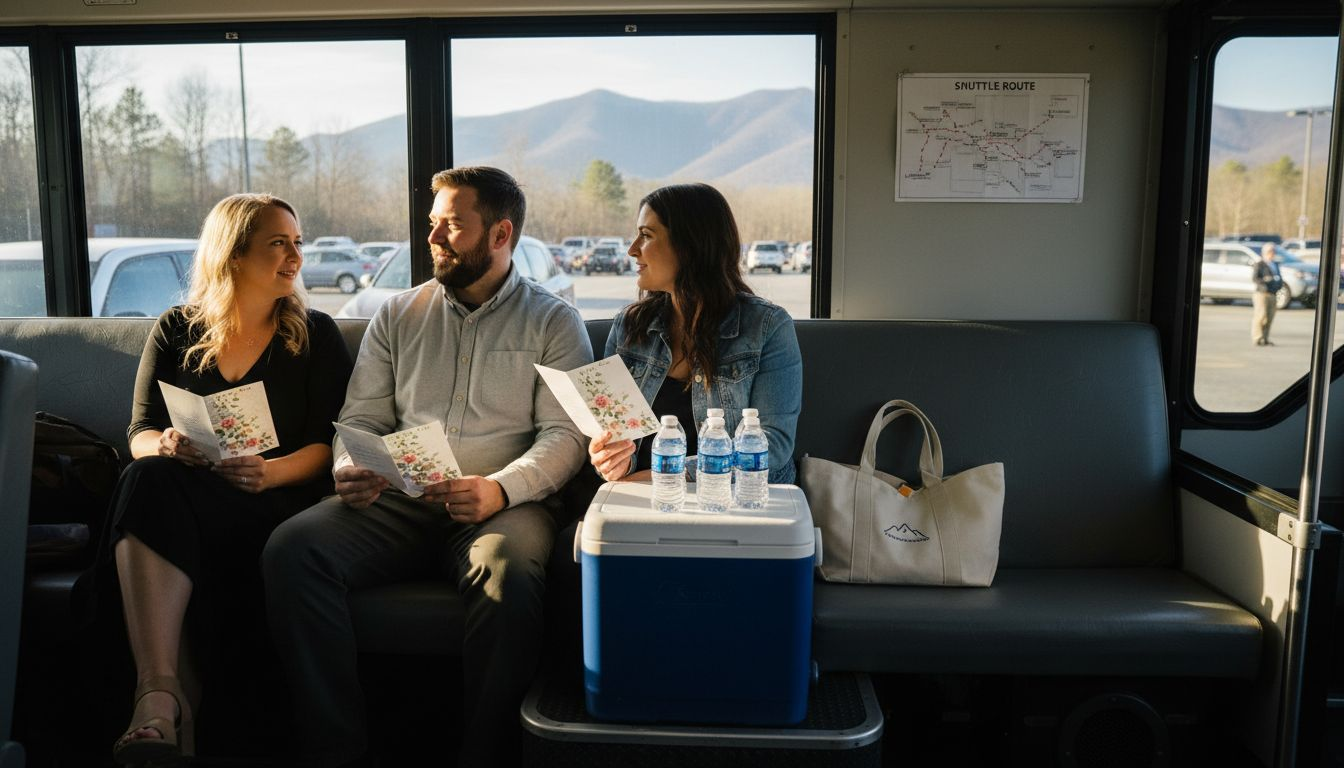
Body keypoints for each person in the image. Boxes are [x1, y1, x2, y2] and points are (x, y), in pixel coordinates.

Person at [262, 167, 593, 768]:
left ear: (500, 233)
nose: (434, 238)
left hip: (504, 507)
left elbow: (565, 436)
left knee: (508, 572)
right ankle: (334, 750)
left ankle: (485, 754)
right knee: (293, 548)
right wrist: (346, 467)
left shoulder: (553, 321)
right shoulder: (397, 314)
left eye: (452, 225)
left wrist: (499, 489)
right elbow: (359, 420)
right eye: (432, 224)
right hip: (394, 499)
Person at [110, 194, 352, 766]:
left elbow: (329, 444)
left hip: (276, 500)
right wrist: (164, 443)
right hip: (188, 493)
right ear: (235, 254)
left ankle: (167, 705)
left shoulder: (314, 333)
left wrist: (269, 474)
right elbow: (140, 430)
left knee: (152, 494)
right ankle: (159, 694)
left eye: (298, 242)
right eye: (278, 243)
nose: (295, 255)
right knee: (148, 477)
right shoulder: (176, 329)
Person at [587, 182, 802, 485]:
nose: (632, 249)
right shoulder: (629, 326)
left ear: (689, 246)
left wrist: (664, 474)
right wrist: (611, 460)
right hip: (643, 497)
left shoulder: (767, 327)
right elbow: (617, 440)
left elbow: (773, 448)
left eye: (646, 235)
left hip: (740, 501)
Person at [1251, 243, 1283, 346]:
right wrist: (1264, 283)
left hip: (1273, 294)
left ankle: (1265, 338)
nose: (1271, 254)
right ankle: (1258, 338)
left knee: (1269, 317)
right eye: (1269, 252)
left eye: (1273, 251)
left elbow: (1279, 278)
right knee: (1261, 316)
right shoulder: (1259, 264)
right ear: (1264, 253)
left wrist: (1278, 285)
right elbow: (1255, 278)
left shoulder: (1275, 264)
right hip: (1261, 294)